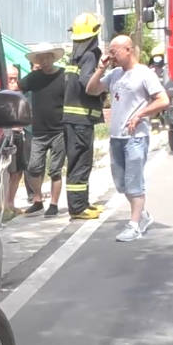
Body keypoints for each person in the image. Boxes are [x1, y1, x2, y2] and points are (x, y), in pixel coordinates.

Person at [85, 35, 170, 242]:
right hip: (116, 137)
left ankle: (134, 225)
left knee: (134, 183)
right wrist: (100, 68)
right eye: (110, 51)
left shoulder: (143, 74)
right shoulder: (114, 74)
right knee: (121, 184)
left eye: (115, 51)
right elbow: (91, 89)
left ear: (128, 50)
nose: (111, 55)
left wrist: (140, 114)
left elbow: (163, 100)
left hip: (136, 137)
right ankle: (142, 215)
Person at [62, 12, 106, 221]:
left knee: (77, 162)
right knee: (81, 163)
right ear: (95, 32)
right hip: (81, 121)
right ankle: (78, 208)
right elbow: (88, 84)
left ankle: (81, 204)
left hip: (73, 120)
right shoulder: (91, 55)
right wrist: (103, 85)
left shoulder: (75, 56)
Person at [19, 44, 67, 217]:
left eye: (47, 57)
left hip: (59, 130)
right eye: (41, 58)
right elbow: (17, 88)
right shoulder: (34, 77)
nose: (45, 61)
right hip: (38, 130)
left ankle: (53, 204)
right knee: (33, 167)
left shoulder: (64, 76)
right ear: (37, 61)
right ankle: (37, 200)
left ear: (53, 58)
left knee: (55, 169)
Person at [3, 64, 31, 220]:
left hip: (20, 134)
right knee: (7, 171)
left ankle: (11, 203)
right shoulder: (0, 94)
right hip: (7, 135)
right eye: (10, 79)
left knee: (18, 171)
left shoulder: (21, 94)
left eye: (15, 78)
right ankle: (4, 205)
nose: (13, 82)